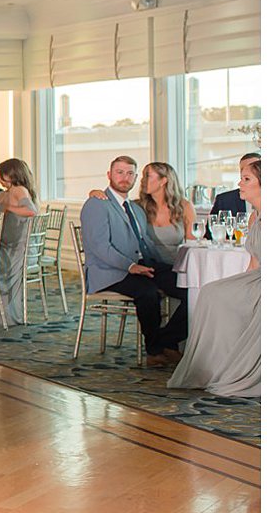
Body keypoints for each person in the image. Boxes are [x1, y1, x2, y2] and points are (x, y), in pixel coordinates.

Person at [79, 155, 188, 368]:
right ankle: (155, 351)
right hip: (110, 271)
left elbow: (146, 243)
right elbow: (101, 247)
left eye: (130, 173)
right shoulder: (97, 204)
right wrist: (130, 266)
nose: (124, 177)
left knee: (191, 289)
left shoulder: (136, 208)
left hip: (142, 265)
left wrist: (168, 268)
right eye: (119, 172)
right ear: (109, 175)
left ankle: (165, 341)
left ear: (136, 178)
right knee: (147, 292)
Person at [170, 158, 260, 396]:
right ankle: (214, 365)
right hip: (257, 277)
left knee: (221, 296)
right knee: (212, 292)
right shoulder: (254, 218)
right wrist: (241, 287)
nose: (240, 182)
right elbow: (254, 262)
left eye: (247, 179)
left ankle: (240, 367)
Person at [0, 158, 39, 325]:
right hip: (5, 244)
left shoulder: (19, 190)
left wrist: (8, 208)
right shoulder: (7, 193)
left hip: (16, 247)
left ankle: (5, 314)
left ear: (11, 175)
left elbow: (31, 211)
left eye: (2, 176)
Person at [209, 152, 260, 218]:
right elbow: (211, 226)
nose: (246, 171)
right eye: (242, 170)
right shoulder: (224, 200)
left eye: (253, 167)